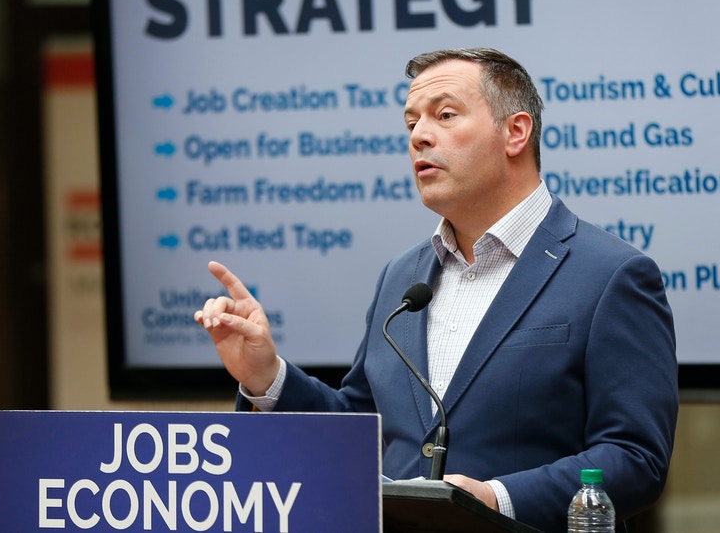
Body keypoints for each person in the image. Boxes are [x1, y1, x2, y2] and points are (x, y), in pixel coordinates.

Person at [195, 47, 678, 533]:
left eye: (445, 115)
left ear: (515, 132)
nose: (420, 136)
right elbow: (363, 427)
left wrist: (495, 498)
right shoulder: (403, 277)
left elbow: (635, 459)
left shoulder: (611, 274)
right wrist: (267, 378)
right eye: (411, 124)